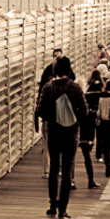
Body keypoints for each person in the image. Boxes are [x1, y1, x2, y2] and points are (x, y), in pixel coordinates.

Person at [37, 56, 88, 219]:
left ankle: (52, 205)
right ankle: (63, 210)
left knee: (54, 169)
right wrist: (73, 118)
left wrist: (53, 117)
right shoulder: (75, 88)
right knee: (67, 170)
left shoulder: (48, 88)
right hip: (71, 133)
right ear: (68, 70)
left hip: (54, 133)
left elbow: (41, 111)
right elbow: (84, 111)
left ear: (54, 70)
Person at [35, 49, 75, 178]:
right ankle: (54, 171)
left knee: (49, 146)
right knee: (60, 147)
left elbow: (41, 98)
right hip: (66, 121)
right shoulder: (73, 84)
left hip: (51, 120)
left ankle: (50, 172)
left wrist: (42, 114)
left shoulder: (48, 84)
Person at [96, 79, 110, 177]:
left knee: (105, 145)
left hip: (104, 123)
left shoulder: (101, 98)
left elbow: (99, 112)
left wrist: (98, 119)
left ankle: (107, 164)